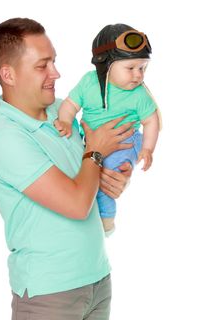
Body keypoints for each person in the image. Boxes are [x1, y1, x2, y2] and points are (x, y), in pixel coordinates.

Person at [0, 18, 134, 320]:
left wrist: (113, 177)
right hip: (48, 295)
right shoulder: (7, 138)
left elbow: (90, 174)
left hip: (96, 281)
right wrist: (96, 150)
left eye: (53, 61)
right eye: (42, 65)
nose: (56, 73)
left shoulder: (59, 112)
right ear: (8, 74)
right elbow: (77, 203)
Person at [55, 23, 161, 235]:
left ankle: (107, 221)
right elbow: (70, 104)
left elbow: (151, 121)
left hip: (125, 143)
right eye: (130, 68)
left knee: (106, 177)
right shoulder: (88, 82)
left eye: (142, 68)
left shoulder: (139, 94)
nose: (138, 75)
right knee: (85, 173)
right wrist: (65, 121)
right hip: (93, 144)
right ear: (105, 64)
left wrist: (148, 149)